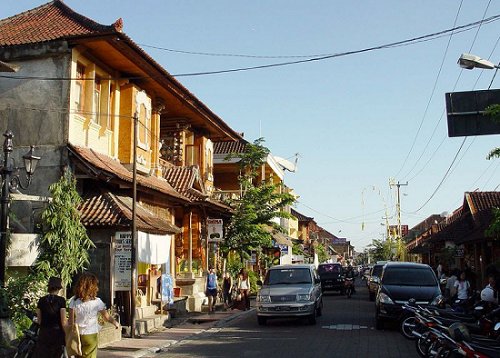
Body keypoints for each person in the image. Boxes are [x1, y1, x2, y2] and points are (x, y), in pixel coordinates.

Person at [68, 272, 119, 358]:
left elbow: (71, 320)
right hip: (91, 334)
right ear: (93, 287)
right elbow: (106, 317)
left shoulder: (74, 300)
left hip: (78, 334)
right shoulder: (97, 301)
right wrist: (115, 323)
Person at [33, 276, 67, 358]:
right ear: (58, 288)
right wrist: (66, 332)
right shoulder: (61, 300)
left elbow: (39, 320)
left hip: (44, 333)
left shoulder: (41, 300)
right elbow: (63, 320)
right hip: (57, 333)